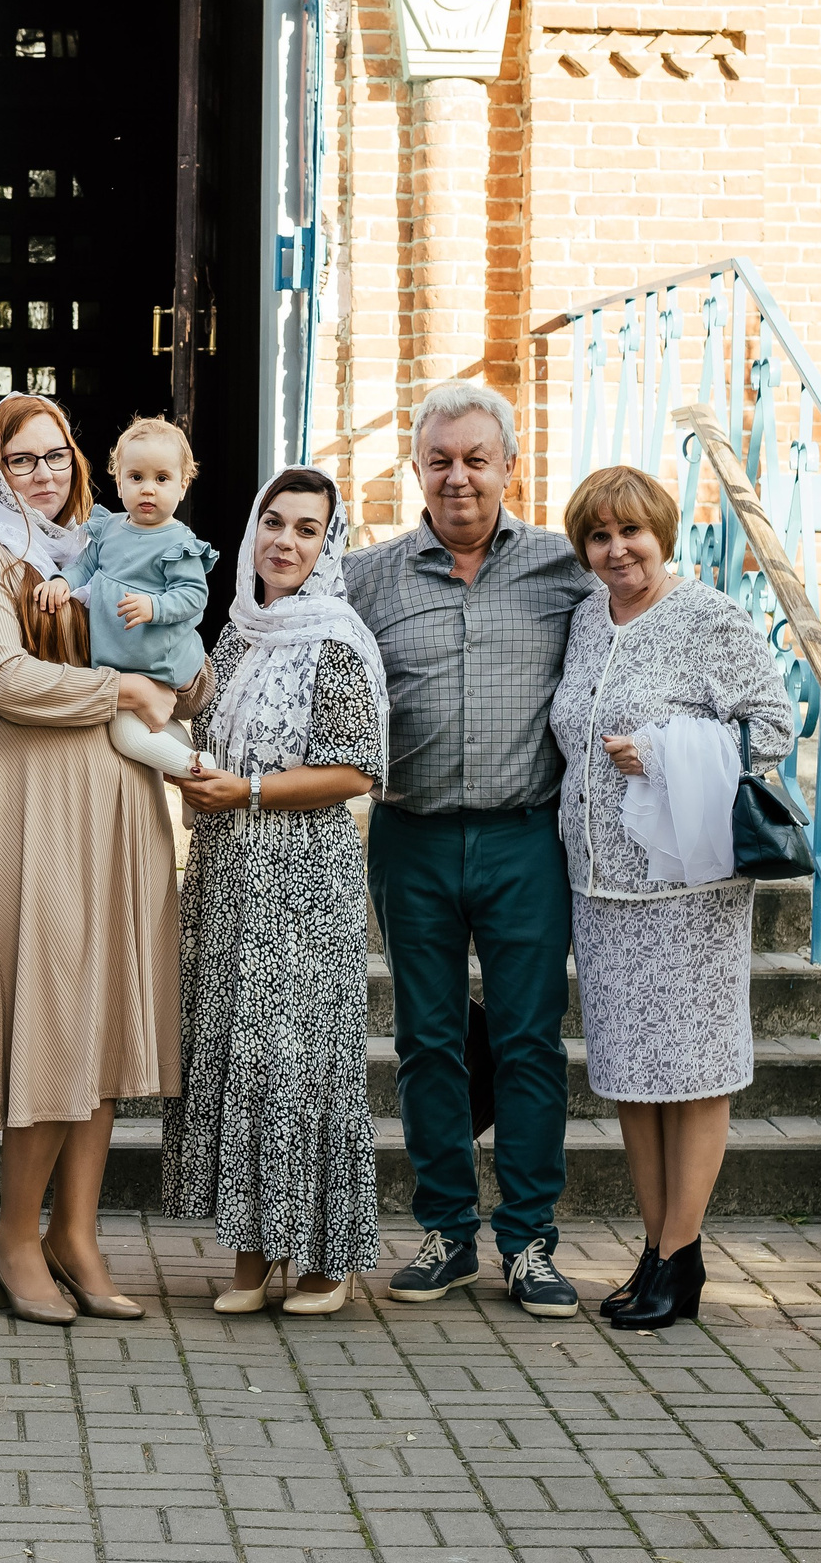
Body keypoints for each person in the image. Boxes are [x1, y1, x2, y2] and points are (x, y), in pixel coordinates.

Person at [0, 395, 207, 1326]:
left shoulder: (106, 541)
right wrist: (121, 683)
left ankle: (77, 1234)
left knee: (102, 1014)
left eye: (56, 456)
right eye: (21, 461)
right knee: (49, 1009)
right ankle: (15, 1234)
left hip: (121, 798)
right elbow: (3, 677)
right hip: (30, 793)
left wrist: (175, 668)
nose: (43, 474)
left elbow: (178, 656)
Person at [342, 378, 595, 1319]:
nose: (458, 478)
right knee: (428, 1041)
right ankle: (448, 1229)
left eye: (476, 459)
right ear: (416, 468)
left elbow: (648, 625)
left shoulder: (566, 571)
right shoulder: (365, 578)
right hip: (408, 836)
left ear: (510, 467)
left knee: (530, 1041)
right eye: (440, 459)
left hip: (525, 837)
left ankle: (530, 1240)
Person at [548, 465, 790, 1330]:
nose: (618, 552)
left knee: (692, 1071)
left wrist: (663, 748)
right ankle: (656, 1252)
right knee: (632, 1078)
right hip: (600, 887)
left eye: (632, 535)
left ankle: (681, 1255)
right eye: (599, 539)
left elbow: (773, 725)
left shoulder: (708, 616)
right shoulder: (584, 620)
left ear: (662, 535)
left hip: (687, 886)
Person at [164, 467, 388, 1315]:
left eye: (306, 529)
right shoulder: (237, 633)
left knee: (300, 1059)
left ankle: (329, 1257)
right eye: (273, 524)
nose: (285, 543)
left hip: (302, 875)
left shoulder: (336, 639)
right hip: (228, 870)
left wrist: (249, 792)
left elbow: (357, 769)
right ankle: (255, 1250)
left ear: (329, 545)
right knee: (240, 1055)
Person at [37, 415, 218, 777]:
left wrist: (155, 606)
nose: (147, 489)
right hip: (120, 656)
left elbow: (194, 595)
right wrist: (62, 581)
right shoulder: (110, 528)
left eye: (161, 479)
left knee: (126, 736)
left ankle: (189, 772)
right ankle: (197, 766)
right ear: (119, 482)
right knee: (148, 724)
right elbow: (85, 565)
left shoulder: (178, 543)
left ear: (183, 486)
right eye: (136, 478)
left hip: (157, 659)